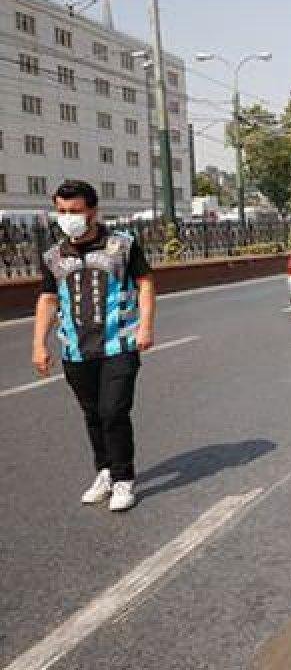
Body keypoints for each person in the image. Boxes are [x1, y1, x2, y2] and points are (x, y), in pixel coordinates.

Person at [32, 180, 155, 512]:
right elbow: (47, 299)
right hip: (75, 349)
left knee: (113, 411)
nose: (67, 217)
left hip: (120, 344)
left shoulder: (122, 245)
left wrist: (145, 326)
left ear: (93, 211)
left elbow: (144, 284)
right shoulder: (54, 256)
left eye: (75, 210)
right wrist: (39, 344)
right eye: (61, 211)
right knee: (93, 414)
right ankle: (104, 472)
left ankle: (123, 478)